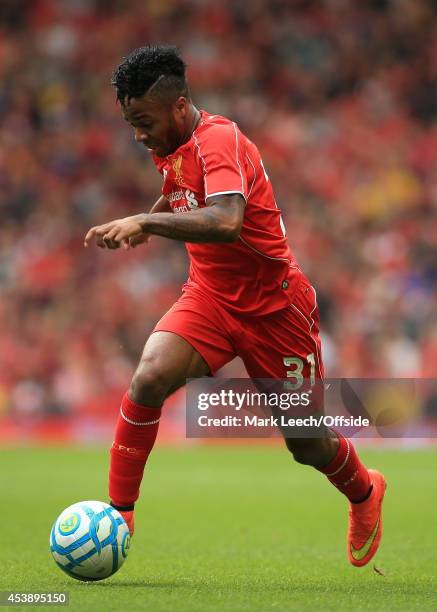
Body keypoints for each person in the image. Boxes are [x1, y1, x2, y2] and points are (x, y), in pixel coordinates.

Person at [84, 45, 386, 567]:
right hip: (210, 296)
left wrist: (145, 222)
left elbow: (225, 222)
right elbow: (182, 188)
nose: (137, 135)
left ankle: (364, 492)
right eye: (130, 123)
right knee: (149, 378)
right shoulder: (175, 144)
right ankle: (118, 514)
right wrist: (153, 215)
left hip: (276, 310)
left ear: (179, 106)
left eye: (142, 121)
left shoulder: (218, 139)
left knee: (306, 443)